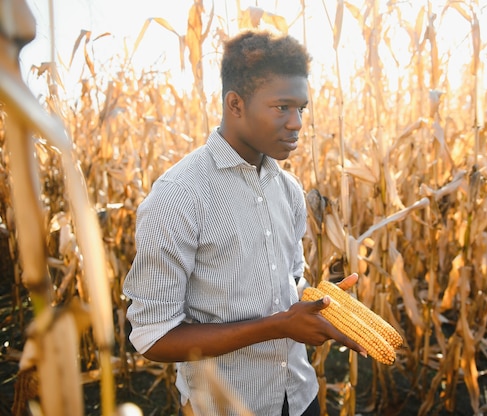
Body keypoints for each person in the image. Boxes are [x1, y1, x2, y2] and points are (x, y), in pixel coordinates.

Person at [122, 30, 366, 416]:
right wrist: (279, 326)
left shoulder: (288, 189)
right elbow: (154, 338)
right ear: (235, 104)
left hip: (300, 395)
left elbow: (290, 281)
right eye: (282, 107)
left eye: (301, 109)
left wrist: (324, 303)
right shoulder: (179, 196)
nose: (297, 123)